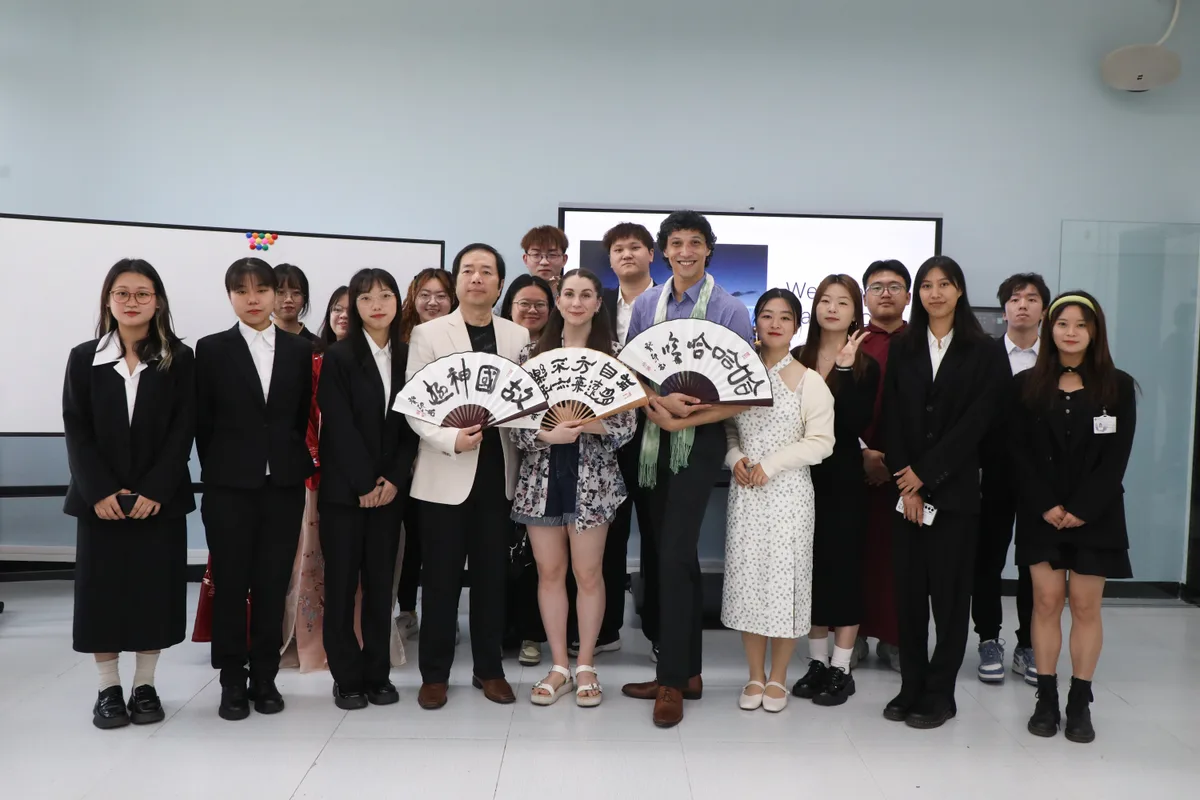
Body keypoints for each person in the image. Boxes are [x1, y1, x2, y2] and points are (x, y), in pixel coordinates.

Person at [619, 210, 754, 729]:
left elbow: (741, 391)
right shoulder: (647, 304)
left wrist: (687, 415)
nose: (685, 251)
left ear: (708, 250)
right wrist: (660, 407)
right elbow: (635, 372)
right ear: (664, 250)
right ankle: (688, 671)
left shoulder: (728, 309)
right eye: (676, 243)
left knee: (676, 552)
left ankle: (671, 681)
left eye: (695, 243)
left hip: (697, 443)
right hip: (651, 437)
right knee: (662, 554)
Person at [63, 259, 195, 729]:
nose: (133, 301)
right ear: (109, 300)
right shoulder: (84, 358)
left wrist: (155, 489)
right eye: (123, 293)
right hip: (99, 503)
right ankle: (107, 690)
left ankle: (144, 686)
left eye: (143, 293)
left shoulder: (179, 357)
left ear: (157, 300)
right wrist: (99, 490)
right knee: (102, 595)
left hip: (157, 501)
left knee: (151, 594)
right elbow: (76, 430)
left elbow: (182, 432)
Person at [883, 255, 1007, 729]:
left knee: (951, 601)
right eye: (927, 285)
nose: (935, 293)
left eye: (945, 284)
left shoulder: (984, 350)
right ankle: (910, 685)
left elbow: (979, 422)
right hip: (905, 497)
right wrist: (905, 481)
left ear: (959, 291)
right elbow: (892, 418)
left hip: (954, 496)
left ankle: (940, 693)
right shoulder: (905, 346)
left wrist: (926, 475)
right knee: (909, 597)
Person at [406, 243, 530, 710]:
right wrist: (449, 439)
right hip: (445, 471)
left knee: (492, 576)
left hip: (498, 473)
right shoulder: (429, 334)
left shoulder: (516, 336)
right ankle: (434, 674)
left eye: (487, 271)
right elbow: (415, 405)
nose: (477, 278)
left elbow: (523, 403)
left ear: (499, 284)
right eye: (468, 270)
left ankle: (489, 669)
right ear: (457, 281)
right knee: (438, 578)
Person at [1011, 291, 1136, 743]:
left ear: (1095, 331)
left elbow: (1116, 458)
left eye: (1080, 325)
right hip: (1039, 510)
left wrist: (1083, 508)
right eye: (1062, 323)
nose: (1070, 332)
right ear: (1050, 329)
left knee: (1085, 606)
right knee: (1045, 603)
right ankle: (1045, 697)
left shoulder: (1117, 386)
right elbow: (1019, 454)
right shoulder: (1026, 385)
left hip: (1096, 515)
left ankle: (1079, 701)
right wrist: (1046, 504)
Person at [509, 269, 636, 706]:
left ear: (599, 303)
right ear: (557, 302)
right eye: (569, 294)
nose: (577, 302)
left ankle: (586, 664)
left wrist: (593, 425)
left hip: (594, 479)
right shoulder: (531, 354)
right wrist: (545, 434)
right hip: (541, 476)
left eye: (587, 295)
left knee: (587, 573)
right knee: (549, 573)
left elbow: (628, 423)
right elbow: (513, 422)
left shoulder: (615, 355)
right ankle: (559, 664)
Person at [196, 257, 314, 721]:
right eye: (241, 290)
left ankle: (264, 678)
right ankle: (230, 680)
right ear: (229, 296)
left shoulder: (298, 350)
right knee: (230, 586)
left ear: (275, 294)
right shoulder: (211, 349)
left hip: (283, 484)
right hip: (229, 487)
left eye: (261, 289)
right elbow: (202, 421)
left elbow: (298, 413)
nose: (252, 298)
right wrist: (225, 469)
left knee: (271, 585)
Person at [723, 289, 835, 713]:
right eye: (766, 315)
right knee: (748, 584)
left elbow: (822, 442)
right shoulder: (738, 375)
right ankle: (754, 675)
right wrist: (735, 458)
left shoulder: (810, 381)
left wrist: (771, 465)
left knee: (785, 585)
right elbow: (728, 428)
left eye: (784, 317)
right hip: (746, 493)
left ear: (796, 325)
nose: (774, 323)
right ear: (755, 322)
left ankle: (779, 678)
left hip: (788, 494)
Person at [316, 268, 419, 709]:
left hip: (389, 494)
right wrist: (363, 482)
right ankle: (346, 676)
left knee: (381, 588)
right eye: (366, 297)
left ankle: (378, 673)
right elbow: (336, 425)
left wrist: (393, 480)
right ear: (353, 307)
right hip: (345, 493)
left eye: (386, 295)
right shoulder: (338, 356)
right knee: (340, 588)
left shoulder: (408, 355)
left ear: (398, 302)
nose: (377, 304)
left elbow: (412, 425)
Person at [790, 275, 880, 707]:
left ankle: (842, 668)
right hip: (800, 477)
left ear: (854, 311)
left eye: (842, 302)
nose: (831, 308)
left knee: (843, 571)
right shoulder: (797, 357)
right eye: (824, 300)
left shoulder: (866, 364)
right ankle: (818, 662)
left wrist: (843, 368)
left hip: (843, 477)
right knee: (809, 572)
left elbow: (849, 423)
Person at [584, 222, 658, 660]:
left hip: (658, 432)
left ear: (652, 254)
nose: (626, 254)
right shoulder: (599, 303)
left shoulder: (671, 302)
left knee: (655, 531)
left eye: (634, 247)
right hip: (604, 436)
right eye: (617, 249)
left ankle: (657, 631)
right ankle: (605, 628)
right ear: (609, 259)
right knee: (606, 533)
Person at [973, 273, 1049, 685]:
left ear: (1043, 309)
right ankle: (988, 638)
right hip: (992, 475)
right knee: (986, 559)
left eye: (1032, 299)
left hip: (1040, 479)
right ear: (1004, 309)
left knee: (1033, 562)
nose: (1023, 305)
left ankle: (1028, 643)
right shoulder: (984, 356)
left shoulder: (1056, 359)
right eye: (1015, 299)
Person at [280, 286, 349, 672]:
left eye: (350, 310)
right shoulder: (313, 358)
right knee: (309, 562)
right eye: (337, 309)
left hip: (358, 481)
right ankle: (306, 638)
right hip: (315, 475)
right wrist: (314, 460)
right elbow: (301, 416)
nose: (343, 316)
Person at [394, 268, 457, 641]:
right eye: (425, 295)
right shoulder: (400, 339)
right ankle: (405, 609)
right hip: (403, 453)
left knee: (430, 542)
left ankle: (437, 618)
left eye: (441, 295)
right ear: (412, 298)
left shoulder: (459, 339)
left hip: (444, 454)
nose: (433, 302)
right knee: (403, 539)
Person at [499, 272, 557, 667]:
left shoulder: (560, 349)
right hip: (499, 463)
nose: (532, 310)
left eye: (540, 304)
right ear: (510, 307)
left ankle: (532, 634)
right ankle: (502, 629)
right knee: (501, 554)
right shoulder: (501, 343)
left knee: (540, 562)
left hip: (544, 470)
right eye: (524, 303)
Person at [858, 259, 911, 672]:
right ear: (865, 297)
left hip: (910, 472)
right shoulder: (853, 342)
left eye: (895, 286)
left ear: (908, 295)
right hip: (856, 466)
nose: (886, 293)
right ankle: (852, 635)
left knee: (902, 558)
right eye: (877, 287)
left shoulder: (924, 342)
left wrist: (896, 462)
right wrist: (864, 454)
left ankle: (897, 638)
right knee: (857, 553)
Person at [273, 263, 321, 344]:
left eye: (296, 293)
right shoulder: (256, 342)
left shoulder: (316, 346)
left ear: (304, 299)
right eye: (280, 292)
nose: (288, 299)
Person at [521, 225, 569, 292]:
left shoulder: (574, 301)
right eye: (536, 254)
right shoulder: (515, 300)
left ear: (564, 260)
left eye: (552, 255)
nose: (544, 262)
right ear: (525, 259)